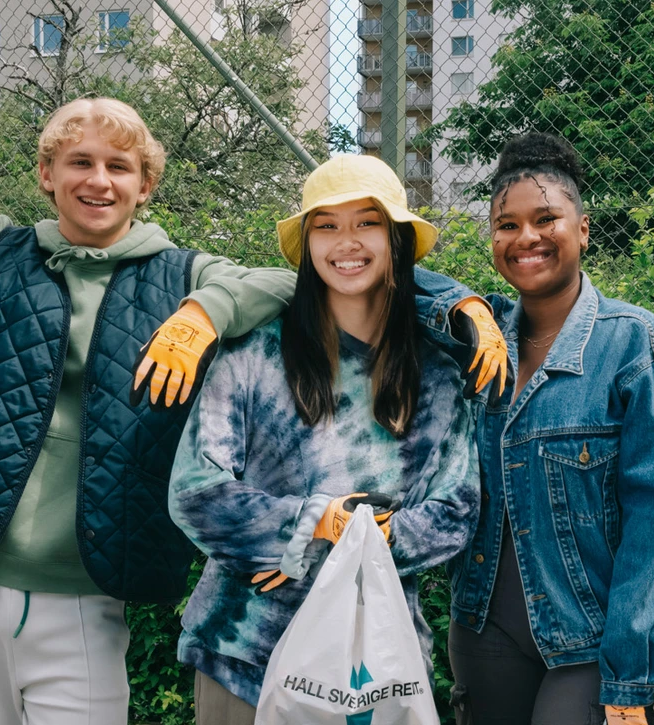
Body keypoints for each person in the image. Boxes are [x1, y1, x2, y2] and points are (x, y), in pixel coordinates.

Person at [0, 98, 302, 725]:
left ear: (146, 184)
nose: (99, 180)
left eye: (119, 166)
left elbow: (297, 283)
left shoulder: (185, 274)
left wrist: (201, 312)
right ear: (47, 174)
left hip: (85, 590)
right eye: (79, 162)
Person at [165, 154, 486, 725]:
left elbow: (456, 511)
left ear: (396, 240)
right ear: (308, 244)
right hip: (246, 650)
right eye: (326, 225)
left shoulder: (435, 374)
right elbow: (195, 491)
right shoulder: (254, 353)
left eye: (367, 222)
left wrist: (364, 535)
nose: (347, 242)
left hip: (376, 665)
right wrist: (316, 522)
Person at [423, 133, 654, 725]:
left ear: (582, 229)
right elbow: (380, 282)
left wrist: (633, 678)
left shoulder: (640, 350)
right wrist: (462, 303)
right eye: (506, 225)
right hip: (483, 630)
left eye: (546, 218)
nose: (525, 238)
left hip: (592, 644)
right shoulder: (476, 343)